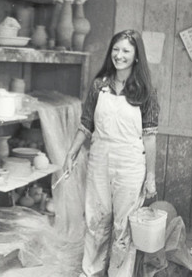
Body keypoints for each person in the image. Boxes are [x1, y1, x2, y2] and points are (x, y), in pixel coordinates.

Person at [63, 29, 160, 277]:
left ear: (137, 55)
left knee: (124, 227)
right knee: (96, 221)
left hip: (130, 164)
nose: (119, 55)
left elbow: (149, 137)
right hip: (99, 160)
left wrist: (150, 177)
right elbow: (85, 125)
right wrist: (71, 153)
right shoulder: (99, 86)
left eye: (126, 50)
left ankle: (119, 274)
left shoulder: (146, 91)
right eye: (116, 49)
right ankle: (91, 272)